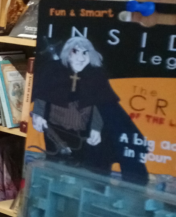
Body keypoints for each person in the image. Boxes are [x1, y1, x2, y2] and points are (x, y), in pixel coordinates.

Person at [31, 35, 149, 184]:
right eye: (75, 52)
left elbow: (101, 105)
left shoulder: (95, 76)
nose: (80, 58)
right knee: (58, 164)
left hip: (87, 132)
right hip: (59, 128)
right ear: (67, 53)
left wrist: (96, 129)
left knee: (96, 165)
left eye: (85, 53)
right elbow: (43, 93)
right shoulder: (54, 70)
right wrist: (38, 114)